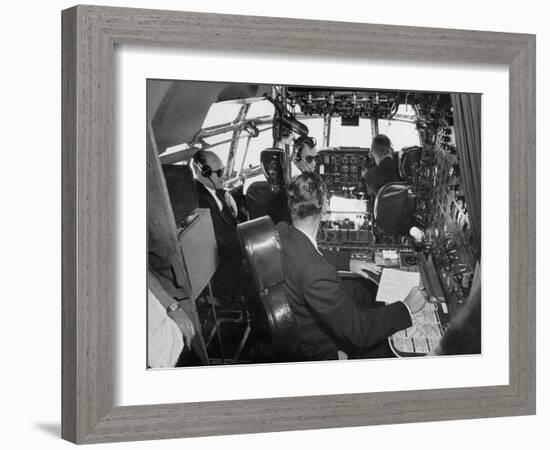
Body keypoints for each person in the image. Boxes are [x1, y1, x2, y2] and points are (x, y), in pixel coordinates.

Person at [275, 172, 426, 361]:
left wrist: (348, 262)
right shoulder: (318, 274)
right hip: (316, 346)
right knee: (383, 350)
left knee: (362, 292)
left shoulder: (281, 231)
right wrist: (406, 308)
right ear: (325, 210)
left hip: (297, 314)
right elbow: (360, 332)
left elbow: (307, 252)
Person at [192, 150, 242, 297]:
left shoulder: (213, 190)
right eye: (218, 173)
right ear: (202, 172)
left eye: (223, 170)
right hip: (224, 274)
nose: (224, 176)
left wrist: (225, 193)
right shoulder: (199, 201)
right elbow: (221, 243)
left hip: (232, 254)